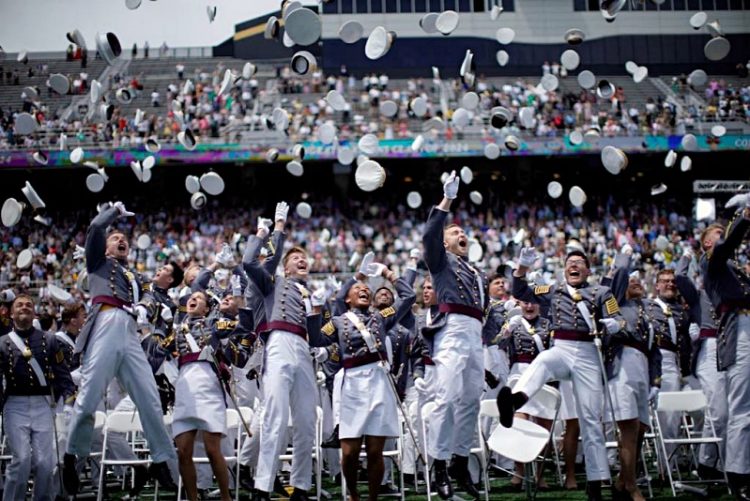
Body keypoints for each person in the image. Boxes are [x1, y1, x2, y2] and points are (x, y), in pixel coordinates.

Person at [62, 202, 177, 494]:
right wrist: (113, 211)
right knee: (88, 396)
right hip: (106, 319)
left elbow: (153, 295)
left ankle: (161, 458)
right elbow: (95, 228)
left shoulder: (134, 276)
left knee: (149, 397)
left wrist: (143, 307)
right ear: (104, 248)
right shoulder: (97, 263)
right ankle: (73, 456)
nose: (121, 239)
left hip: (129, 328)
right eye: (115, 239)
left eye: (123, 237)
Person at [500, 246, 625, 501]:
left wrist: (615, 325)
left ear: (588, 270)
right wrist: (522, 268)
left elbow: (618, 318)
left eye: (580, 262)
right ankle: (515, 399)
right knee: (544, 360)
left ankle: (595, 481)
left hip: (590, 352)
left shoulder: (602, 292)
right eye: (570, 262)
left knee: (590, 419)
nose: (574, 266)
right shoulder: (554, 289)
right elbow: (521, 291)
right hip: (563, 347)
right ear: (564, 269)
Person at [311, 259, 416, 500]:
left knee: (376, 452)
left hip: (378, 382)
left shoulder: (381, 317)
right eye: (358, 288)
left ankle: (372, 497)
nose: (364, 290)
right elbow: (316, 339)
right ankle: (354, 493)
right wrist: (316, 308)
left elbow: (408, 297)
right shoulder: (338, 321)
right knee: (349, 452)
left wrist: (389, 274)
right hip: (353, 384)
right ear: (346, 299)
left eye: (367, 289)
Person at [246, 202, 324, 501]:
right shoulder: (272, 282)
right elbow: (249, 263)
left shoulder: (310, 292)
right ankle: (262, 485)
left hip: (303, 349)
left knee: (306, 420)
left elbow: (316, 338)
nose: (302, 261)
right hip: (278, 343)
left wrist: (317, 310)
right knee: (275, 417)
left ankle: (301, 486)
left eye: (305, 258)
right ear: (285, 266)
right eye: (296, 258)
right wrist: (273, 230)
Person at [422, 170, 488, 499]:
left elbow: (485, 314)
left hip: (475, 333)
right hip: (452, 329)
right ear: (446, 243)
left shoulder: (478, 273)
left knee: (472, 400)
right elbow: (429, 235)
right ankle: (438, 464)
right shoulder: (441, 261)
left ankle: (460, 462)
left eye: (463, 232)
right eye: (455, 232)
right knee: (445, 398)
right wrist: (446, 200)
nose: (461, 234)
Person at [172, 290, 254, 501]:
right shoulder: (177, 329)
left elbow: (244, 325)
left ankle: (226, 497)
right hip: (184, 387)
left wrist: (239, 305)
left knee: (212, 449)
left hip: (208, 384)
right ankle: (192, 497)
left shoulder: (215, 324)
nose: (193, 299)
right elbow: (156, 349)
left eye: (199, 299)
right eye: (191, 297)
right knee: (182, 451)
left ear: (207, 308)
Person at [0, 294, 76, 500]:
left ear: (34, 312)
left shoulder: (49, 340)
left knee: (45, 463)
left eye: (28, 305)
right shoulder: (3, 343)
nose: (24, 307)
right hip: (15, 405)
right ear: (12, 313)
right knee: (22, 459)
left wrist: (69, 404)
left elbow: (63, 375)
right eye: (19, 305)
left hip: (43, 404)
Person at [603, 249, 662, 501]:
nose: (635, 281)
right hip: (622, 363)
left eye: (639, 279)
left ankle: (621, 483)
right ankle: (631, 486)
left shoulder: (645, 311)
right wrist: (623, 260)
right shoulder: (616, 303)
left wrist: (656, 381)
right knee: (629, 427)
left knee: (640, 429)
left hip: (641, 366)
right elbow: (615, 283)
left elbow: (655, 350)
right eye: (631, 279)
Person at [701, 196, 750, 500]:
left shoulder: (737, 271)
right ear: (705, 245)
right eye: (715, 236)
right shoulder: (713, 263)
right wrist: (744, 215)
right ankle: (738, 474)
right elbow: (727, 246)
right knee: (742, 408)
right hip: (739, 329)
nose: (722, 238)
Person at [496, 299, 553, 490]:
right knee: (519, 424)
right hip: (519, 373)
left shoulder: (547, 324)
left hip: (542, 373)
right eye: (526, 303)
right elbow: (499, 344)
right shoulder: (514, 322)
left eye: (533, 303)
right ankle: (519, 472)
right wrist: (507, 330)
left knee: (544, 425)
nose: (529, 307)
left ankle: (539, 475)